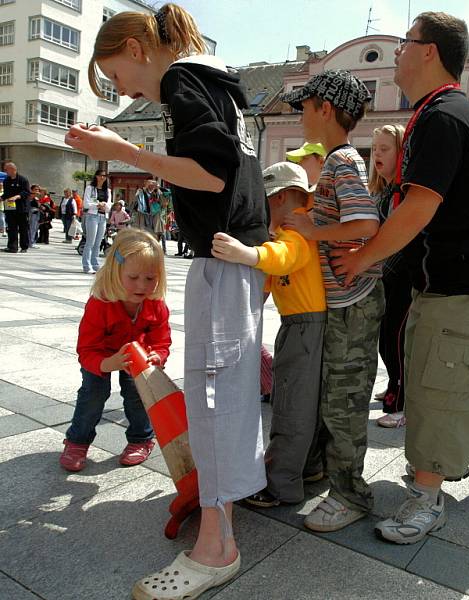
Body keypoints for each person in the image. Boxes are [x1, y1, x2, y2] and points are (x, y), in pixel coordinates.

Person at [64, 4, 269, 598]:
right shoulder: (210, 78)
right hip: (235, 256)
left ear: (133, 48)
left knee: (217, 395)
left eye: (115, 74)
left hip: (224, 258)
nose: (124, 90)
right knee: (223, 392)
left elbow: (209, 175)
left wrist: (123, 151)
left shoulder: (182, 79)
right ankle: (220, 520)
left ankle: (216, 547)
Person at [333, 12, 469, 544]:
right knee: (427, 376)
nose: (397, 51)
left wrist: (362, 258)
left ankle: (427, 499)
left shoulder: (444, 116)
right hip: (452, 279)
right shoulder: (436, 113)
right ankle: (426, 479)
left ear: (429, 51)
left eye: (404, 42)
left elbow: (418, 207)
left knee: (445, 385)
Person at [280, 69, 384, 533]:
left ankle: (351, 495)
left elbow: (365, 224)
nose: (300, 114)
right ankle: (326, 473)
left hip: (352, 303)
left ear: (325, 109)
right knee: (332, 395)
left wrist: (312, 230)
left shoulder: (343, 161)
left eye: (305, 106)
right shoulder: (341, 158)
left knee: (343, 400)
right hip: (344, 301)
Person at [211, 161, 326, 508]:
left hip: (304, 328)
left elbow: (281, 258)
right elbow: (270, 283)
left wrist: (247, 253)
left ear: (279, 199)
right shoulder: (300, 231)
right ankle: (308, 467)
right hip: (303, 326)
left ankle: (280, 484)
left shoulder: (296, 233)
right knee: (305, 402)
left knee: (291, 405)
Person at [59, 228, 170, 473]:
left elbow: (162, 341)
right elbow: (87, 349)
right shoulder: (100, 303)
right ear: (115, 271)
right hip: (100, 357)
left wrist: (157, 357)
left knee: (139, 394)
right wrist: (107, 363)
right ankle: (77, 441)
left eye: (150, 278)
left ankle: (141, 439)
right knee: (93, 394)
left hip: (136, 357)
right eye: (133, 277)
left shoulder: (155, 304)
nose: (142, 285)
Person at [369, 123, 411, 427]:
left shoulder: (406, 192)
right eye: (374, 150)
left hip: (404, 277)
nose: (376, 155)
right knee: (386, 338)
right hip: (386, 276)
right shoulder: (384, 191)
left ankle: (403, 400)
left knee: (397, 340)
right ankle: (395, 387)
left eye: (385, 149)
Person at [82, 169, 111, 274]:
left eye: (104, 176)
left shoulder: (107, 190)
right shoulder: (90, 188)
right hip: (92, 216)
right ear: (96, 176)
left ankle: (95, 264)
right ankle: (86, 265)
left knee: (98, 242)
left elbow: (109, 206)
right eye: (100, 175)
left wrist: (105, 206)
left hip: (102, 217)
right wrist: (97, 205)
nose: (102, 177)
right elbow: (86, 203)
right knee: (90, 241)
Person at [2, 162, 31, 253]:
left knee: (23, 228)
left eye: (6, 169)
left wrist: (17, 197)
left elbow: (26, 192)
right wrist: (2, 198)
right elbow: (6, 194)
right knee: (11, 228)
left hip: (21, 208)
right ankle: (12, 247)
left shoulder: (23, 180)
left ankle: (24, 247)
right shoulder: (6, 181)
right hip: (10, 208)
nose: (5, 171)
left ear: (13, 169)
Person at [28, 184, 41, 248]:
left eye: (38, 189)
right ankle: (30, 242)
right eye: (36, 189)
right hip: (32, 214)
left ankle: (32, 241)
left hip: (36, 214)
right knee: (31, 228)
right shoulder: (30, 196)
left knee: (35, 229)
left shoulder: (37, 197)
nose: (37, 191)